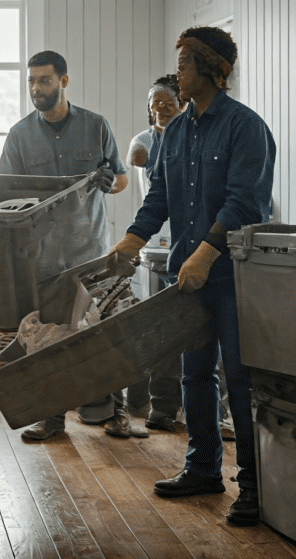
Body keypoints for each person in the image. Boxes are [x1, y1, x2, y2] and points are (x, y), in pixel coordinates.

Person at [109, 26, 275, 527]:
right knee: (194, 373)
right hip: (187, 274)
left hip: (232, 275)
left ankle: (253, 485)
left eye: (184, 63)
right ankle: (202, 467)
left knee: (240, 379)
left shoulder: (246, 127)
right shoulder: (177, 131)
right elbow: (159, 195)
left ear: (210, 68)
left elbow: (246, 202)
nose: (176, 71)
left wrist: (205, 255)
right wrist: (131, 241)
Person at [0, 50, 135, 441]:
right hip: (43, 259)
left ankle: (118, 414)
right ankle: (52, 419)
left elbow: (122, 179)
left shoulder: (96, 126)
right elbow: (5, 194)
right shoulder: (20, 135)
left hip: (91, 252)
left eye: (44, 80)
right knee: (47, 340)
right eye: (31, 81)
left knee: (107, 331)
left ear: (64, 81)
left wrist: (112, 182)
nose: (36, 89)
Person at [124, 74, 186, 434]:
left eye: (168, 103)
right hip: (154, 244)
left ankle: (169, 405)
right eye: (155, 104)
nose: (160, 109)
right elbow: (142, 164)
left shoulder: (192, 138)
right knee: (154, 326)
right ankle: (144, 402)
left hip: (187, 244)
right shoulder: (144, 142)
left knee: (178, 330)